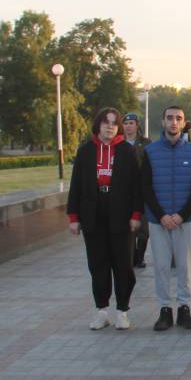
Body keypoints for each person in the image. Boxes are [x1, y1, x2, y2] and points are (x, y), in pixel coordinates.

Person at [66, 107, 144, 331]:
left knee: (123, 265)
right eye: (105, 122)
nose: (110, 126)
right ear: (98, 125)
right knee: (98, 264)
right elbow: (76, 186)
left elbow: (136, 187)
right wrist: (74, 217)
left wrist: (136, 215)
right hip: (93, 214)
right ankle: (102, 310)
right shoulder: (86, 151)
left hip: (121, 214)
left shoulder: (127, 152)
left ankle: (122, 311)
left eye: (114, 123)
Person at [141, 106, 191, 332]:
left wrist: (181, 215)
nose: (173, 122)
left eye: (178, 118)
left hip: (184, 220)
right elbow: (145, 186)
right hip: (158, 220)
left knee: (184, 266)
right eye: (169, 118)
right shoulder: (150, 152)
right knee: (160, 266)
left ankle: (184, 308)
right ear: (163, 122)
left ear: (183, 122)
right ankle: (164, 310)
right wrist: (161, 215)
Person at [121, 112, 151, 267]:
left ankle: (140, 257)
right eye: (125, 124)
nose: (128, 126)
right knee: (129, 225)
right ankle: (131, 256)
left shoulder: (146, 144)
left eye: (131, 123)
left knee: (144, 227)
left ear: (137, 125)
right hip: (125, 192)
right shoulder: (118, 143)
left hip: (143, 190)